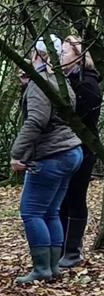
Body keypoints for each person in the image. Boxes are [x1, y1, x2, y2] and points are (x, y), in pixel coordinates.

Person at [11, 36, 83, 283]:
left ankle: (42, 268)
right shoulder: (58, 80)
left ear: (36, 56)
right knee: (50, 211)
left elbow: (37, 121)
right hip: (71, 151)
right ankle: (52, 267)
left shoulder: (40, 83)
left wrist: (17, 153)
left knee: (31, 212)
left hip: (52, 155)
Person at [58, 36, 101, 268]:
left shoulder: (87, 84)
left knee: (75, 196)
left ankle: (72, 249)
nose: (61, 57)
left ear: (79, 56)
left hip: (83, 149)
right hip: (68, 147)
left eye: (65, 53)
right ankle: (62, 246)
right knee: (64, 197)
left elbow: (82, 118)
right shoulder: (67, 80)